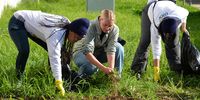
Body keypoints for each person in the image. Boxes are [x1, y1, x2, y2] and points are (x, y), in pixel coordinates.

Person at [8, 10, 90, 96]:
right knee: (24, 50)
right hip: (18, 21)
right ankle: (19, 80)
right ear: (71, 30)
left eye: (79, 38)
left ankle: (64, 77)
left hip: (34, 26)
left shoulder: (68, 26)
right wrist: (58, 82)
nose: (76, 40)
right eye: (76, 37)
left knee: (61, 53)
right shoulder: (56, 34)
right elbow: (54, 57)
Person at [130, 0, 189, 81]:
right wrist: (156, 71)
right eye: (165, 34)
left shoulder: (179, 15)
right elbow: (156, 48)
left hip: (170, 8)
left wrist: (183, 27)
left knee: (173, 43)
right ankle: (137, 71)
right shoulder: (156, 23)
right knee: (145, 41)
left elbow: (186, 12)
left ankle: (177, 71)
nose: (166, 36)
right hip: (152, 9)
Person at [73, 9, 124, 79]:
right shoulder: (91, 26)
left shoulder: (115, 29)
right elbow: (87, 51)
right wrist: (103, 68)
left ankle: (115, 78)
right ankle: (78, 79)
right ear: (100, 19)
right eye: (105, 25)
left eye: (110, 26)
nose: (107, 28)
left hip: (98, 51)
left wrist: (110, 69)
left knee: (119, 48)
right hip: (81, 52)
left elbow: (111, 49)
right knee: (91, 67)